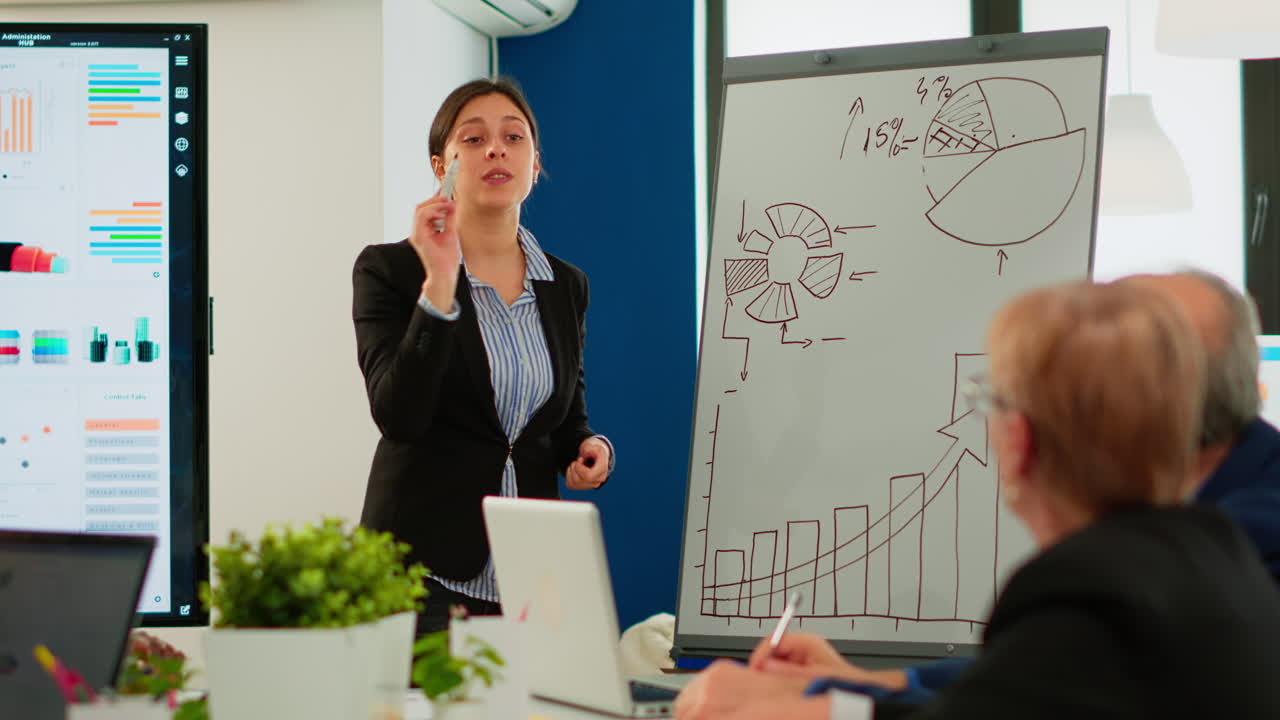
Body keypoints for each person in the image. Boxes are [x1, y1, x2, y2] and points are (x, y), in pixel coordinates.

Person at [674, 280, 1280, 720]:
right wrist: (837, 692)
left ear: (1018, 439)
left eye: (989, 398)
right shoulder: (1215, 557)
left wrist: (806, 709)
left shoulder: (1091, 591)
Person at [352, 77, 613, 634]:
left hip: (528, 572)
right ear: (439, 165)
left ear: (535, 164)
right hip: (418, 572)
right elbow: (398, 414)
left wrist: (588, 447)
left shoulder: (566, 285)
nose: (496, 149)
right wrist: (440, 282)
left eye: (513, 137)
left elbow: (564, 417)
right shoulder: (389, 272)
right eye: (472, 140)